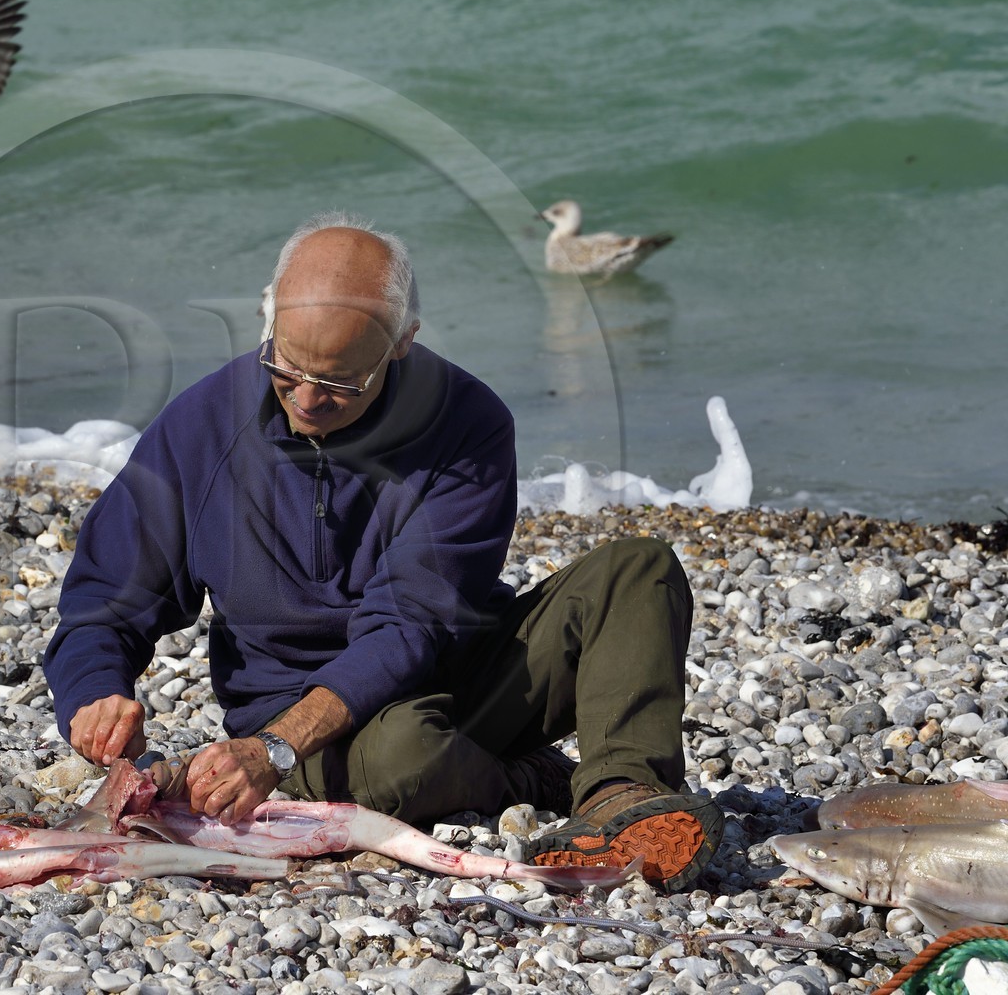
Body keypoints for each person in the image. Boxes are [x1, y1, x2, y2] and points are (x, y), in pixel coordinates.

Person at [42, 212, 723, 891]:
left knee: (638, 569)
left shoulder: (469, 422)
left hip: (459, 676)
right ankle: (531, 776)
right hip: (304, 721)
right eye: (286, 368)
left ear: (402, 344)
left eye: (341, 384)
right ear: (268, 320)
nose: (307, 400)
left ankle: (621, 796)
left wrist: (272, 750)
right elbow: (104, 603)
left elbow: (412, 621)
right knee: (403, 753)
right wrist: (95, 695)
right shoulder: (198, 428)